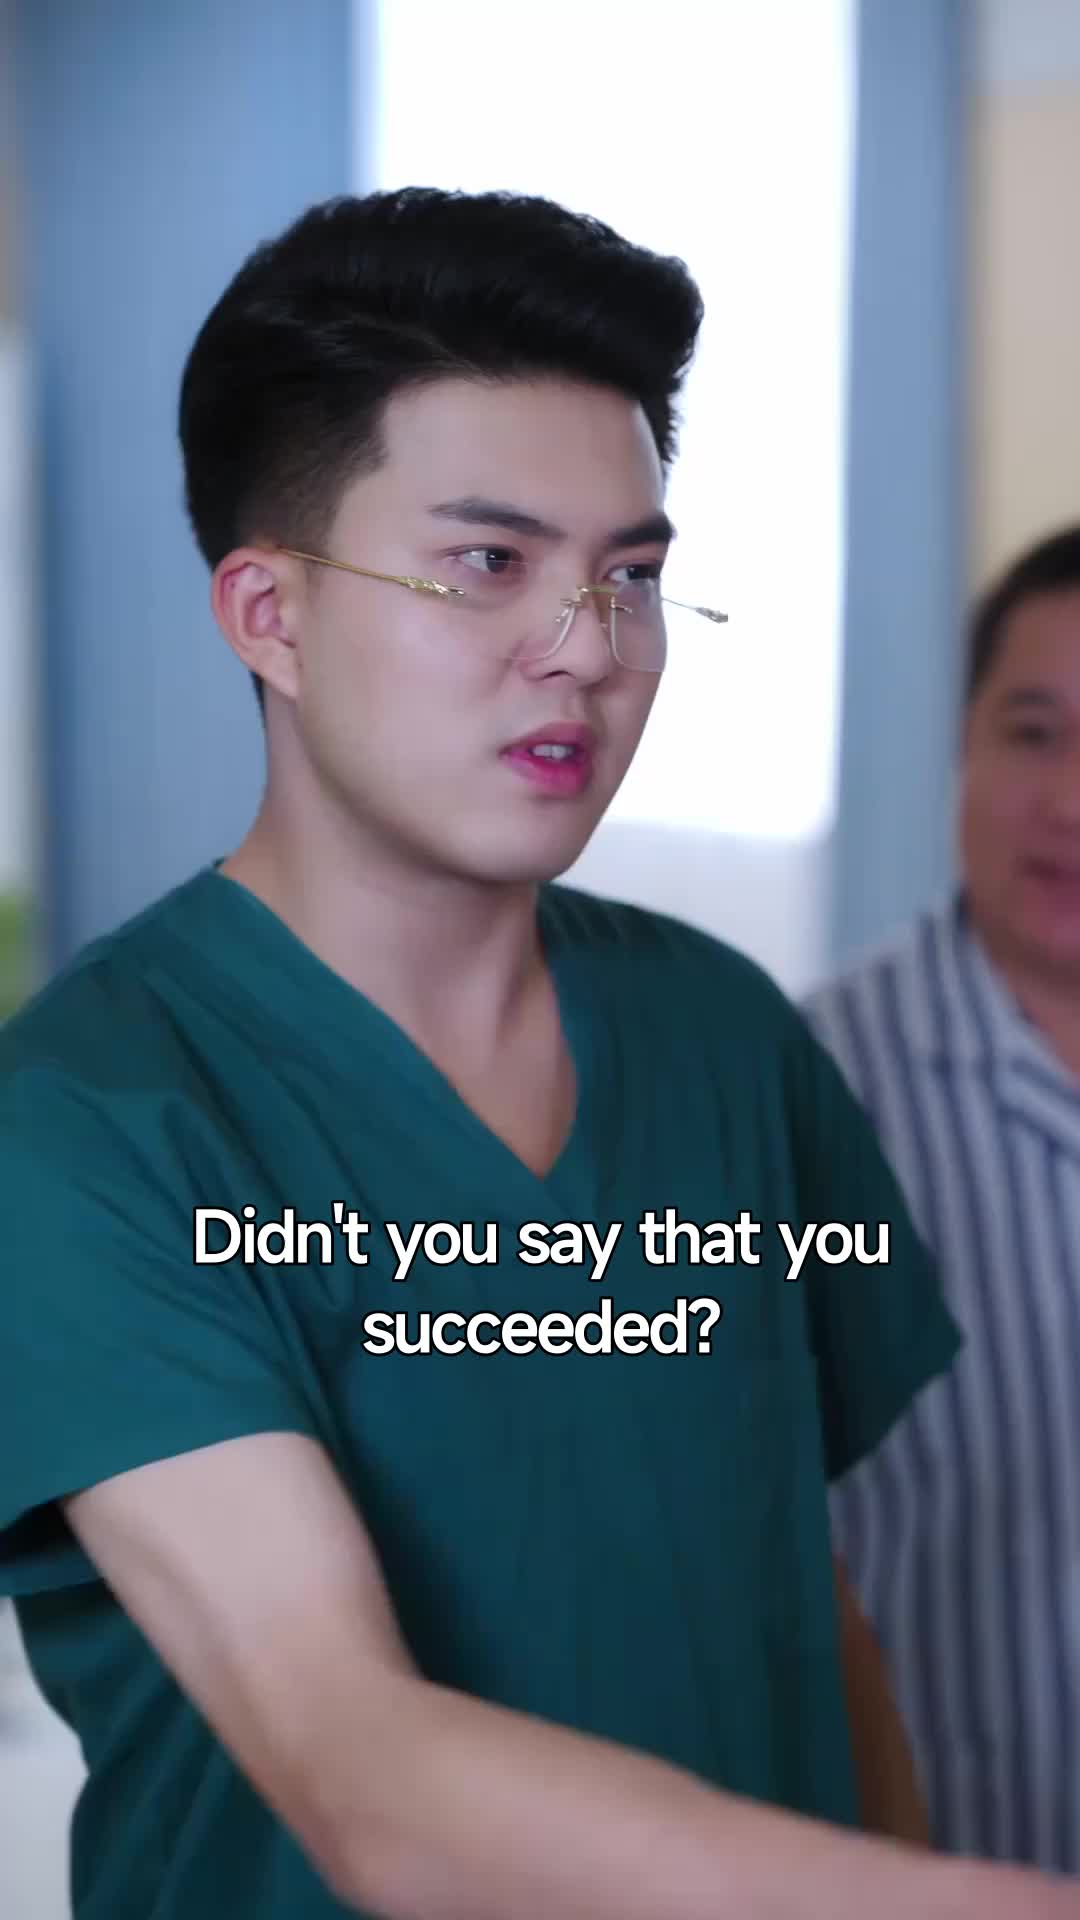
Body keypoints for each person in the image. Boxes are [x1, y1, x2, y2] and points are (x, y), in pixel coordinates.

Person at [0, 188, 1072, 1920]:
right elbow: (360, 1773)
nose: (587, 653)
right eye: (490, 564)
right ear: (269, 615)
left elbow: (808, 1607)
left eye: (628, 578)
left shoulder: (726, 1038)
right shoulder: (86, 1125)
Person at [804, 525, 1080, 1876]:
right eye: (1035, 734)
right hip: (935, 1875)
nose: (1071, 802)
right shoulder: (805, 1096)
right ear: (962, 744)